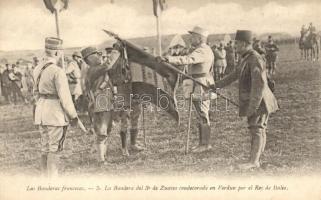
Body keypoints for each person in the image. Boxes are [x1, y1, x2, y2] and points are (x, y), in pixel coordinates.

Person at [215, 30, 279, 170]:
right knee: (259, 129)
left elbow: (259, 85)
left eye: (237, 43)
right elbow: (234, 75)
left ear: (244, 44)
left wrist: (253, 107)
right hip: (257, 100)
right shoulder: (245, 58)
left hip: (259, 100)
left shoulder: (254, 58)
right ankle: (256, 158)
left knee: (257, 129)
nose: (234, 46)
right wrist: (216, 86)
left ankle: (254, 161)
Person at [162, 26, 215, 153]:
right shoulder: (200, 49)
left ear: (200, 38)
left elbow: (188, 59)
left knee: (202, 114)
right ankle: (202, 143)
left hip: (201, 85)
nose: (190, 39)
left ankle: (205, 144)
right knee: (200, 114)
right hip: (198, 84)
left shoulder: (202, 50)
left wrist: (169, 59)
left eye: (193, 36)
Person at [33, 37, 78, 177]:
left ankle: (44, 179)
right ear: (57, 53)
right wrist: (73, 116)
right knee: (54, 149)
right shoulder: (57, 71)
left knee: (45, 147)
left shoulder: (37, 68)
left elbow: (35, 93)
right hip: (55, 114)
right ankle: (52, 182)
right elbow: (65, 98)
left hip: (41, 112)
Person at [81, 46, 115, 165]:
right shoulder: (93, 69)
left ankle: (103, 156)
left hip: (105, 100)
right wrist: (116, 52)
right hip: (100, 102)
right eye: (96, 54)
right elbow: (108, 65)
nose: (100, 55)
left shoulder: (96, 68)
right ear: (89, 58)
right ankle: (101, 160)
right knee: (102, 132)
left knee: (107, 129)